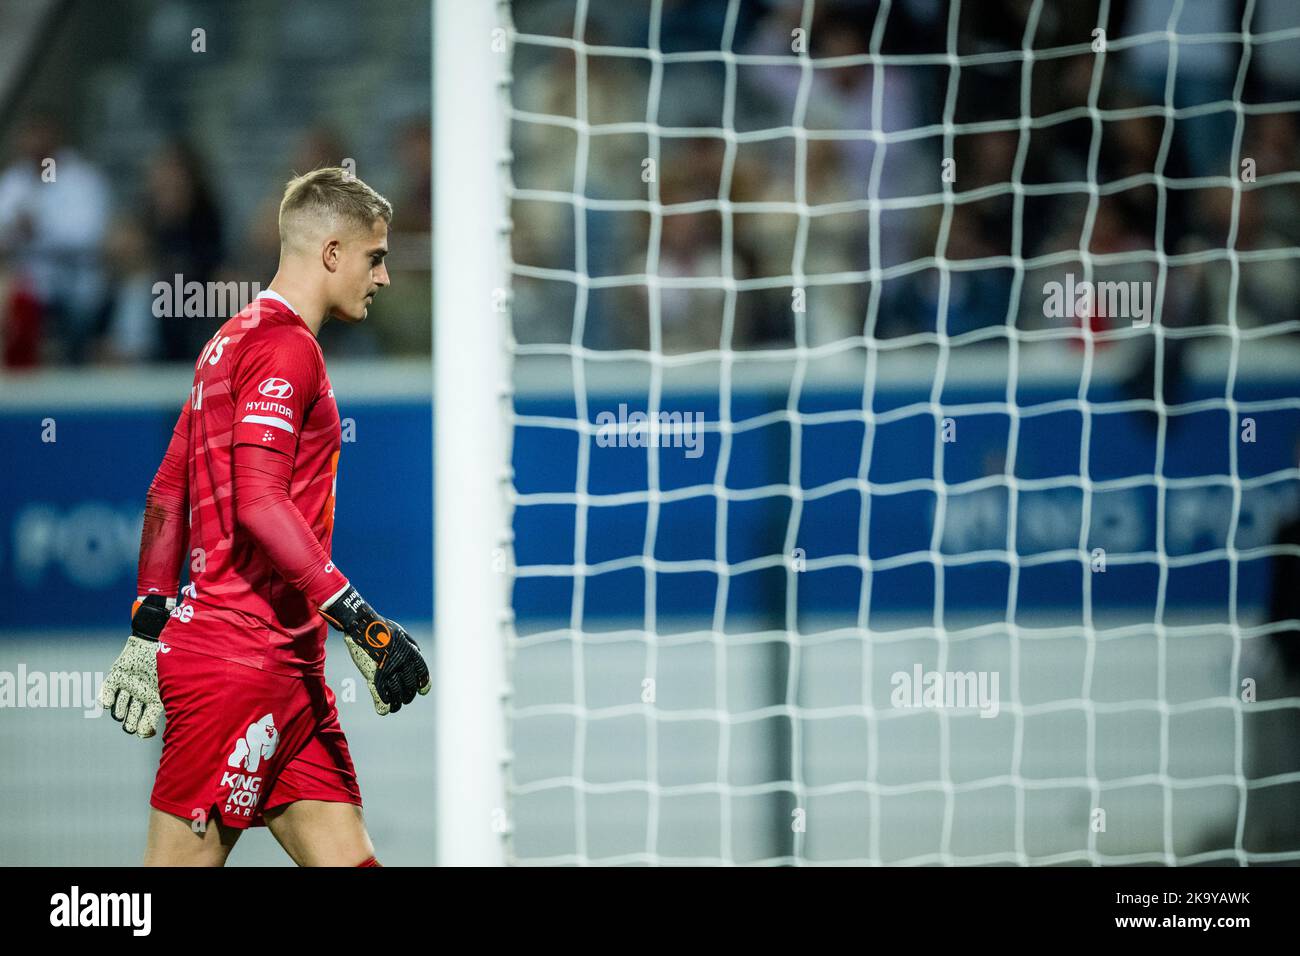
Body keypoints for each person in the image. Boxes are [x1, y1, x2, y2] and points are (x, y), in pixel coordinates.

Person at [98, 167, 429, 866]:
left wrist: (149, 624)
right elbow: (259, 502)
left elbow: (166, 493)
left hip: (291, 675)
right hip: (238, 664)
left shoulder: (227, 340)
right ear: (332, 252)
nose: (384, 277)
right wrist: (365, 626)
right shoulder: (287, 348)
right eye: (376, 258)